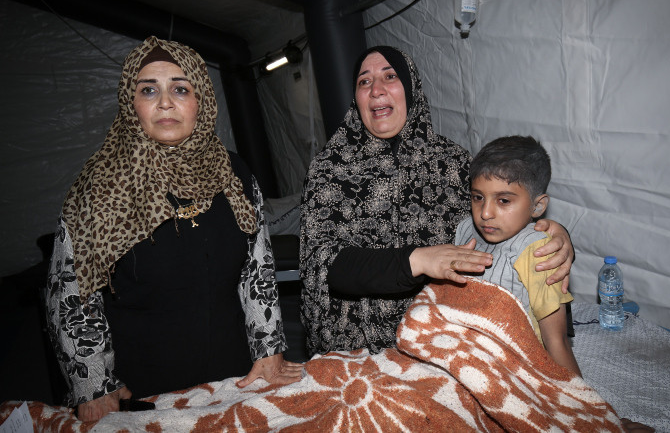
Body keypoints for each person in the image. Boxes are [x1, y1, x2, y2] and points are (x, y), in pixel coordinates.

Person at [45, 36, 303, 422]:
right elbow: (72, 295)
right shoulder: (100, 187)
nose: (165, 102)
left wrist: (269, 350)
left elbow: (257, 269)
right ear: (130, 104)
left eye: (180, 89)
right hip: (144, 394)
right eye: (149, 90)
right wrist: (93, 385)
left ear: (201, 101)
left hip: (234, 380)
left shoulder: (234, 172)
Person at [299, 46, 575, 358]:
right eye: (364, 81)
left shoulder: (452, 161)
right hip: (357, 347)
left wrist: (552, 234)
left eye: (390, 77)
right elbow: (323, 265)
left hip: (445, 341)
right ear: (356, 98)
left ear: (411, 87)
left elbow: (495, 224)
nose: (376, 90)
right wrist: (417, 260)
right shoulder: (330, 169)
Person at [454, 135, 581, 375]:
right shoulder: (465, 230)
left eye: (503, 200)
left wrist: (580, 398)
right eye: (477, 197)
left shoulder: (539, 252)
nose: (485, 213)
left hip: (516, 370)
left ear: (537, 206)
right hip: (465, 356)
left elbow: (557, 341)